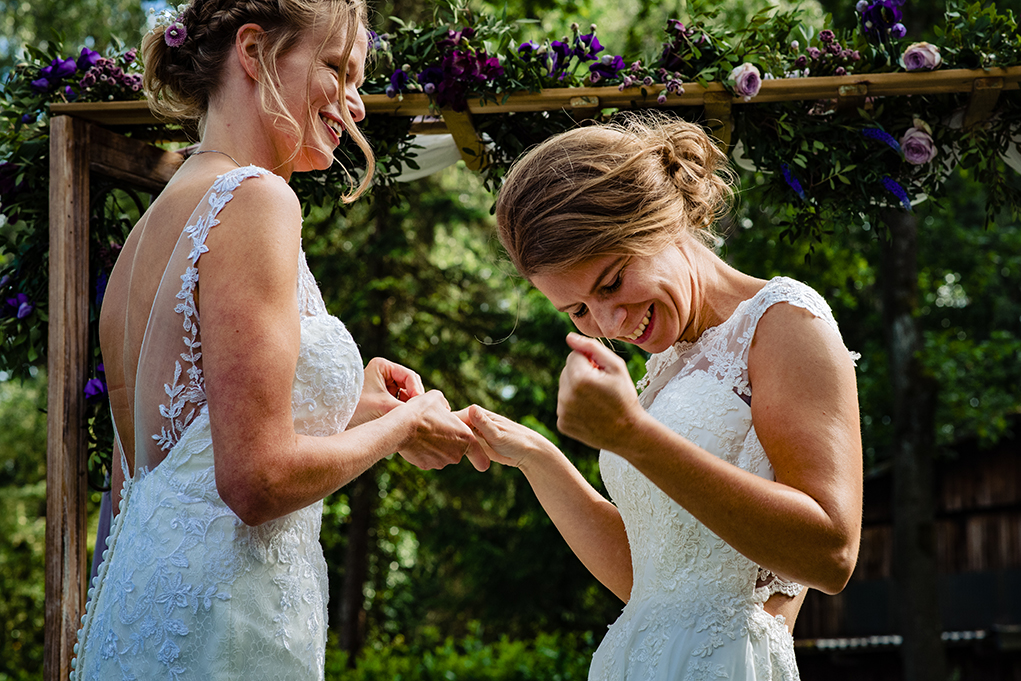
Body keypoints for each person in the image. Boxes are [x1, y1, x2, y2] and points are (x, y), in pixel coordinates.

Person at [72, 1, 487, 678]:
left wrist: (353, 404)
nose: (354, 103)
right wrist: (408, 420)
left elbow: (178, 456)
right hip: (227, 624)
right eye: (336, 69)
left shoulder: (152, 230)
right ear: (254, 50)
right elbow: (255, 481)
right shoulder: (257, 198)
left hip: (144, 612)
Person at [465, 113, 863, 680]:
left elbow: (830, 553)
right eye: (577, 310)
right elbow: (652, 573)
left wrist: (632, 435)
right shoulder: (667, 368)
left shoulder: (784, 323)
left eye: (611, 283)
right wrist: (535, 455)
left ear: (660, 221)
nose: (609, 321)